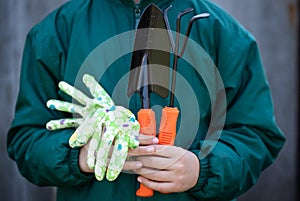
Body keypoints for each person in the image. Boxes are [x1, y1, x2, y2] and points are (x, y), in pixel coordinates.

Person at [7, 0, 285, 200]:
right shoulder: (56, 33)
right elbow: (26, 141)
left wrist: (201, 170)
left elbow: (257, 136)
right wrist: (79, 156)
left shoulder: (223, 34)